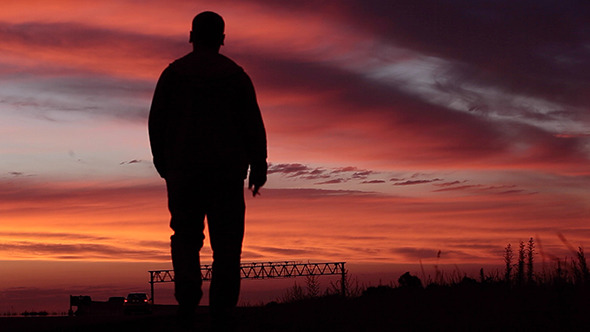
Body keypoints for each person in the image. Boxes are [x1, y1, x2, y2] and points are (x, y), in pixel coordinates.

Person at [148, 11, 267, 328]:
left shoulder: (174, 75)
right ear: (222, 39)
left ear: (191, 36)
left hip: (184, 171)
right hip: (225, 174)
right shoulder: (235, 76)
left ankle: (187, 304)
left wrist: (164, 163)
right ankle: (222, 310)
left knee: (185, 238)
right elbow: (253, 125)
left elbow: (156, 123)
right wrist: (259, 165)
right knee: (227, 244)